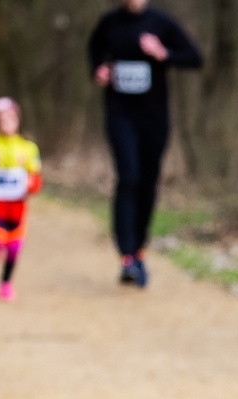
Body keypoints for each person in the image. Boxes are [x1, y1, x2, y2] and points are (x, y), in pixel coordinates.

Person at [87, 0, 201, 288]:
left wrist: (164, 53)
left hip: (153, 118)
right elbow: (94, 51)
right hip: (119, 114)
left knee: (148, 182)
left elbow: (194, 58)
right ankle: (126, 255)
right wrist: (98, 70)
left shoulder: (162, 24)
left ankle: (139, 249)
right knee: (128, 177)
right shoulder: (109, 23)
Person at [0, 97, 42, 302]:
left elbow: (36, 179)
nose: (6, 124)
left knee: (13, 248)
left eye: (10, 119)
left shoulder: (28, 148)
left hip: (18, 208)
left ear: (18, 120)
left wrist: (31, 183)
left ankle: (5, 283)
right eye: (2, 120)